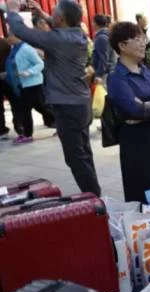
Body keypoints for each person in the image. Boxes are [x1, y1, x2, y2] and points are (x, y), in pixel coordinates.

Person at [6, 0, 101, 196]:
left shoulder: (59, 40)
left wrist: (12, 10)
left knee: (75, 157)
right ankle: (94, 193)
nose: (53, 16)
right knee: (83, 154)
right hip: (79, 103)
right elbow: (58, 23)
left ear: (61, 19)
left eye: (55, 13)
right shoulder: (77, 34)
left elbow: (20, 31)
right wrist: (42, 13)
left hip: (68, 106)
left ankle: (93, 198)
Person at [107, 21, 150, 204]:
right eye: (137, 39)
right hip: (136, 144)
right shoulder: (117, 78)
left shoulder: (148, 71)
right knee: (143, 194)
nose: (143, 43)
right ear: (122, 45)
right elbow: (134, 110)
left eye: (142, 38)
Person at [5, 33, 56, 144]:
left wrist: (29, 72)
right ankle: (60, 123)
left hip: (32, 83)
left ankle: (27, 134)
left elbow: (40, 63)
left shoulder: (26, 49)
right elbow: (14, 66)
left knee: (26, 109)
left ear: (17, 37)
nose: (7, 39)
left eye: (9, 36)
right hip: (22, 84)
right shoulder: (15, 49)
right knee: (40, 107)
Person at [92, 14, 116, 85]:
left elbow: (103, 59)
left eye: (93, 22)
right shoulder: (107, 35)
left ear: (95, 23)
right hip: (109, 71)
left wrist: (98, 75)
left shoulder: (101, 38)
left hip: (105, 74)